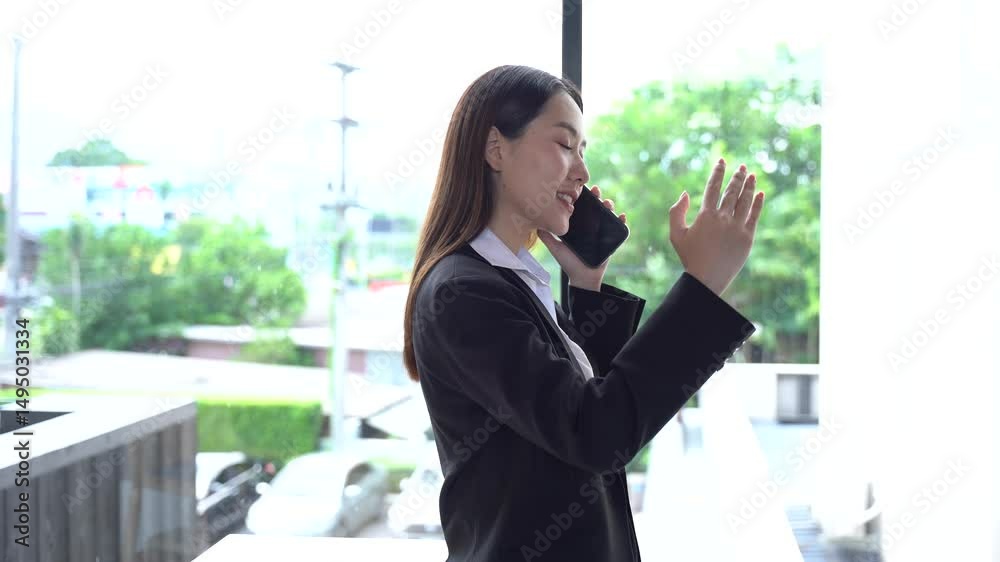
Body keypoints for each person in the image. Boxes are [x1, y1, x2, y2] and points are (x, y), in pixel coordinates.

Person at [402, 65, 765, 562]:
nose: (582, 172)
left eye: (583, 151)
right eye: (564, 144)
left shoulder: (514, 281)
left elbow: (589, 413)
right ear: (496, 149)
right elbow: (595, 435)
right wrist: (701, 287)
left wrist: (586, 286)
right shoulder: (464, 292)